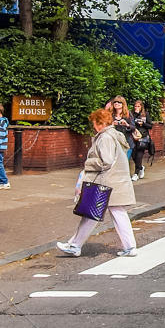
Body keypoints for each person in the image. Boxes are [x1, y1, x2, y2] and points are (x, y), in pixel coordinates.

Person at [58, 107, 138, 258]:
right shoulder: (114, 134)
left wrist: (89, 163)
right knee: (115, 214)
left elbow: (106, 161)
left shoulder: (106, 137)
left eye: (95, 122)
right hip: (117, 182)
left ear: (100, 123)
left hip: (106, 182)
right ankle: (130, 247)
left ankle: (75, 246)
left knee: (91, 214)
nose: (93, 126)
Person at [132, 100, 154, 178]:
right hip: (134, 137)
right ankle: (141, 167)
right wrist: (136, 115)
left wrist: (143, 124)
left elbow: (150, 126)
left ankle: (135, 173)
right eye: (135, 106)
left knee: (139, 155)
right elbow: (130, 123)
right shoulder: (132, 114)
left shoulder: (145, 114)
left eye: (138, 106)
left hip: (143, 138)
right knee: (133, 156)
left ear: (141, 107)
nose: (136, 108)